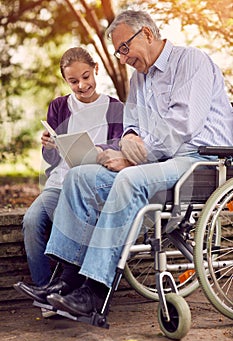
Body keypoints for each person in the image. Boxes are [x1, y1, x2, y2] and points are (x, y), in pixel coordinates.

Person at [14, 10, 233, 317]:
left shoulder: (191, 62)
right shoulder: (139, 79)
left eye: (123, 48)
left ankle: (94, 291)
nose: (121, 57)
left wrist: (132, 156)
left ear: (146, 33)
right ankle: (66, 281)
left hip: (201, 162)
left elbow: (182, 126)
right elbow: (131, 125)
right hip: (160, 163)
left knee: (128, 180)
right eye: (118, 52)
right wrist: (129, 143)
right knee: (79, 176)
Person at [21, 47, 124, 289]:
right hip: (58, 183)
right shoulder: (58, 107)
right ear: (66, 80)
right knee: (31, 221)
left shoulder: (115, 107)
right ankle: (44, 290)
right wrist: (48, 146)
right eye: (73, 81)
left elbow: (117, 149)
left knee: (67, 222)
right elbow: (50, 160)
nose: (81, 85)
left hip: (90, 187)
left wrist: (94, 149)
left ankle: (70, 288)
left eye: (86, 77)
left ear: (95, 69)